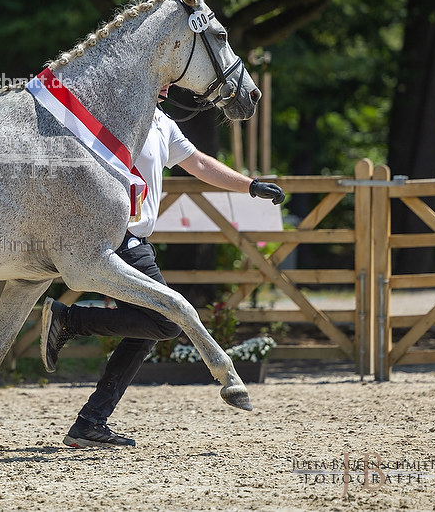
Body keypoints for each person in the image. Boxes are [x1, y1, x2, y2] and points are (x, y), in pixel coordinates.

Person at [40, 84, 285, 448]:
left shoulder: (162, 123)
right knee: (168, 320)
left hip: (138, 241)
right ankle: (70, 320)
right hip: (117, 238)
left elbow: (199, 163)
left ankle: (90, 422)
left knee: (145, 333)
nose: (166, 86)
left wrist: (250, 185)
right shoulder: (109, 121)